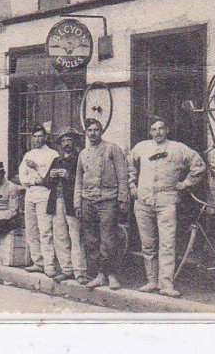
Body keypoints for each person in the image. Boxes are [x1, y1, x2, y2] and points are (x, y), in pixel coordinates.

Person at [127, 116, 206, 298]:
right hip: (143, 201)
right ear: (150, 132)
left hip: (167, 202)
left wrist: (186, 183)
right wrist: (132, 185)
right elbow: (129, 163)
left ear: (167, 130)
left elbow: (199, 165)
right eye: (154, 129)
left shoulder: (178, 148)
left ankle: (166, 285)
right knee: (148, 244)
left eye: (161, 129)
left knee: (167, 244)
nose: (158, 133)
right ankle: (151, 281)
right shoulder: (141, 147)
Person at [74, 118, 129, 291]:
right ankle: (100, 274)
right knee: (91, 240)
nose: (93, 133)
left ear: (102, 131)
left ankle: (111, 275)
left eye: (96, 129)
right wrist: (77, 204)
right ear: (86, 133)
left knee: (108, 239)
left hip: (107, 200)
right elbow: (78, 180)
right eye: (89, 130)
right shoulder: (83, 153)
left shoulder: (112, 149)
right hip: (87, 201)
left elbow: (122, 176)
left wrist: (122, 199)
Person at [18, 124, 59, 277]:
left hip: (44, 195)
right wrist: (35, 181)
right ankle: (38, 262)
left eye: (40, 136)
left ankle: (49, 264)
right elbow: (22, 178)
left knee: (45, 231)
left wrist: (36, 168)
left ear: (46, 137)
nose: (37, 139)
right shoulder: (28, 154)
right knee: (31, 230)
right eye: (35, 136)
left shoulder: (52, 154)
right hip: (30, 194)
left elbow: (48, 178)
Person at [43, 127, 82, 283]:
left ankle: (79, 271)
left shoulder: (80, 158)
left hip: (72, 202)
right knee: (60, 236)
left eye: (69, 140)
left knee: (75, 236)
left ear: (74, 142)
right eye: (63, 141)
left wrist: (68, 176)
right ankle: (66, 269)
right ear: (60, 144)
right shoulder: (56, 160)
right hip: (57, 202)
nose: (66, 144)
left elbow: (84, 180)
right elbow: (45, 182)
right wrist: (51, 175)